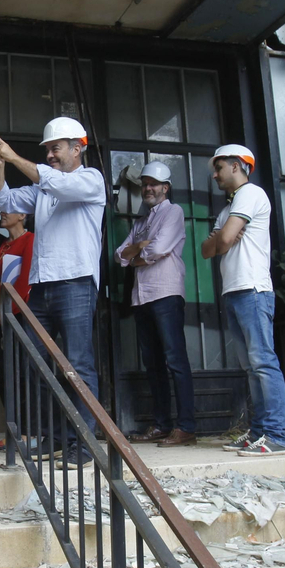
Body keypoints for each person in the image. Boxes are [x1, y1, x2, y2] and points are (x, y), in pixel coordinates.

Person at [0, 116, 106, 467]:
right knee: (34, 361)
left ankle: (84, 444)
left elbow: (52, 181)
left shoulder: (90, 179)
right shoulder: (43, 188)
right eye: (48, 150)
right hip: (41, 285)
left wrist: (12, 157)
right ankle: (56, 438)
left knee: (78, 365)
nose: (51, 155)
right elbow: (1, 202)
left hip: (76, 282)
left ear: (77, 148)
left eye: (56, 148)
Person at [201, 144, 285, 456]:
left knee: (263, 362)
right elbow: (206, 249)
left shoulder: (251, 195)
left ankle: (277, 436)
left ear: (237, 166)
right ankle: (258, 433)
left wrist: (223, 238)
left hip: (253, 289)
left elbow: (222, 241)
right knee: (252, 368)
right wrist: (223, 237)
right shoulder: (229, 209)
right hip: (235, 291)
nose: (215, 174)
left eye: (219, 167)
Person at [117, 161, 198, 446]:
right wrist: (140, 249)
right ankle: (162, 424)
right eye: (145, 184)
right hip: (141, 297)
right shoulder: (141, 222)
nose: (148, 188)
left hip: (165, 293)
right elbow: (119, 255)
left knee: (175, 360)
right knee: (153, 364)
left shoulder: (173, 212)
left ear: (166, 187)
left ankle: (186, 426)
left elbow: (160, 249)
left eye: (154, 184)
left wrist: (137, 255)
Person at [0, 208, 33, 451]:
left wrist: (8, 311)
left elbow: (25, 282)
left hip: (20, 317)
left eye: (9, 209)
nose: (2, 213)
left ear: (22, 216)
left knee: (21, 373)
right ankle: (13, 429)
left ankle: (26, 432)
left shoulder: (30, 240)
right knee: (1, 370)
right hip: (1, 317)